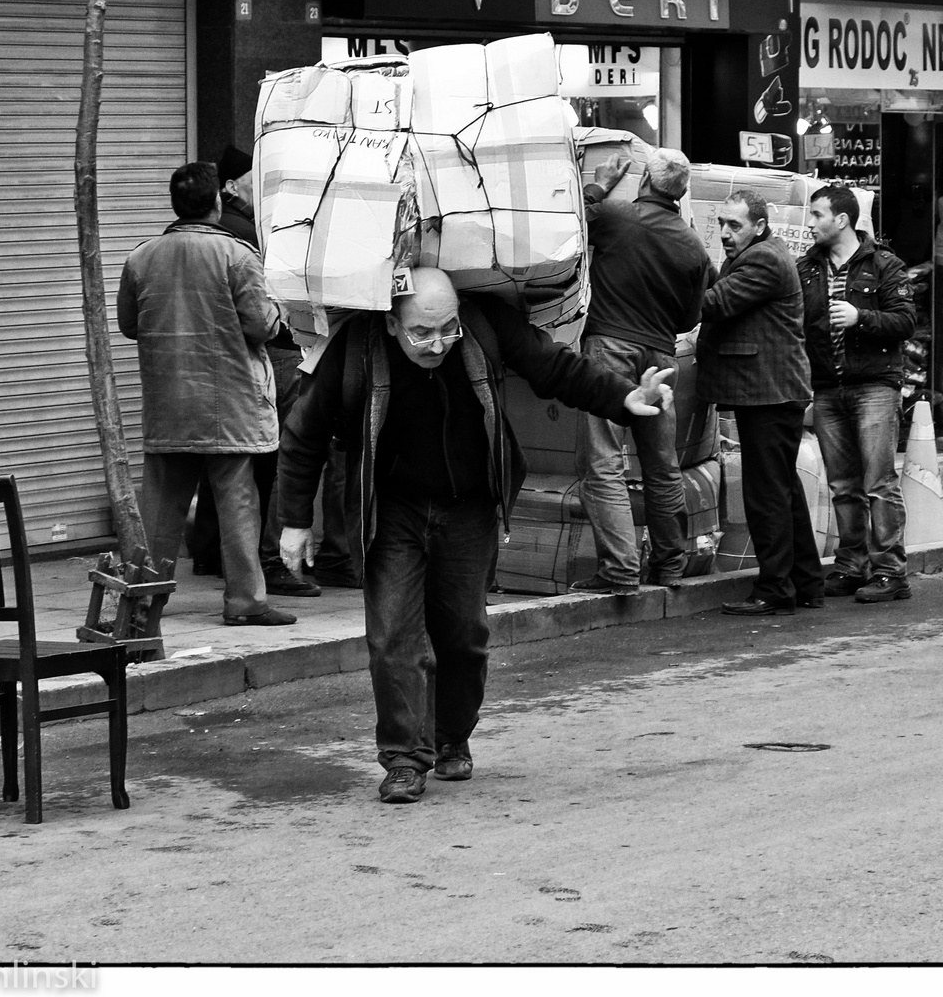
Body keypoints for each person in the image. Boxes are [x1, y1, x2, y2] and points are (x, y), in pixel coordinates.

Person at [277, 267, 673, 804]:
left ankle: (451, 738)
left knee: (463, 635)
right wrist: (296, 521)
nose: (437, 344)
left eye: (447, 330)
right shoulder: (357, 345)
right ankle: (403, 758)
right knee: (393, 635)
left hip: (470, 508)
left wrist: (624, 399)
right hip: (391, 510)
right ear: (392, 323)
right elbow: (304, 434)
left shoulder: (485, 326)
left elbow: (554, 367)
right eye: (421, 332)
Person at [116, 161, 295, 627]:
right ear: (216, 203)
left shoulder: (141, 257)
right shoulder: (237, 256)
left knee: (159, 509)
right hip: (230, 403)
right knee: (237, 503)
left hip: (168, 401)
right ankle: (245, 602)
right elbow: (261, 325)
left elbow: (129, 325)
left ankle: (141, 602)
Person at [568, 149, 713, 595]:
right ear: (682, 192)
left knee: (605, 462)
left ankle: (619, 571)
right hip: (661, 358)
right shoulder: (693, 246)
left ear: (644, 182)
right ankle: (669, 565)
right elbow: (690, 319)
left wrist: (599, 184)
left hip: (609, 347)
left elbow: (571, 224)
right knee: (661, 465)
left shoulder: (616, 215)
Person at [189, 143, 322, 599]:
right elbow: (262, 319)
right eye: (252, 179)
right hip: (264, 360)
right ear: (226, 188)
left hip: (197, 373)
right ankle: (267, 560)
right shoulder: (245, 237)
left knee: (221, 463)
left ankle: (209, 548)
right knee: (274, 459)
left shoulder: (164, 248)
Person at [695, 191, 823, 616]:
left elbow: (713, 303)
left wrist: (674, 269)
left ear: (759, 226)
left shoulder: (763, 259)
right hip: (771, 391)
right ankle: (804, 583)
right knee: (782, 491)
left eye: (735, 226)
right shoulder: (757, 254)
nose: (726, 234)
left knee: (766, 494)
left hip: (770, 392)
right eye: (722, 224)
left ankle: (775, 589)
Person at [799, 185, 917, 603]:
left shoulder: (884, 265)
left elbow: (905, 321)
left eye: (817, 215)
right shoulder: (806, 270)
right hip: (828, 388)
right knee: (843, 484)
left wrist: (859, 317)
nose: (809, 223)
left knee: (879, 482)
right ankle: (851, 564)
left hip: (874, 387)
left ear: (842, 220)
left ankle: (890, 571)